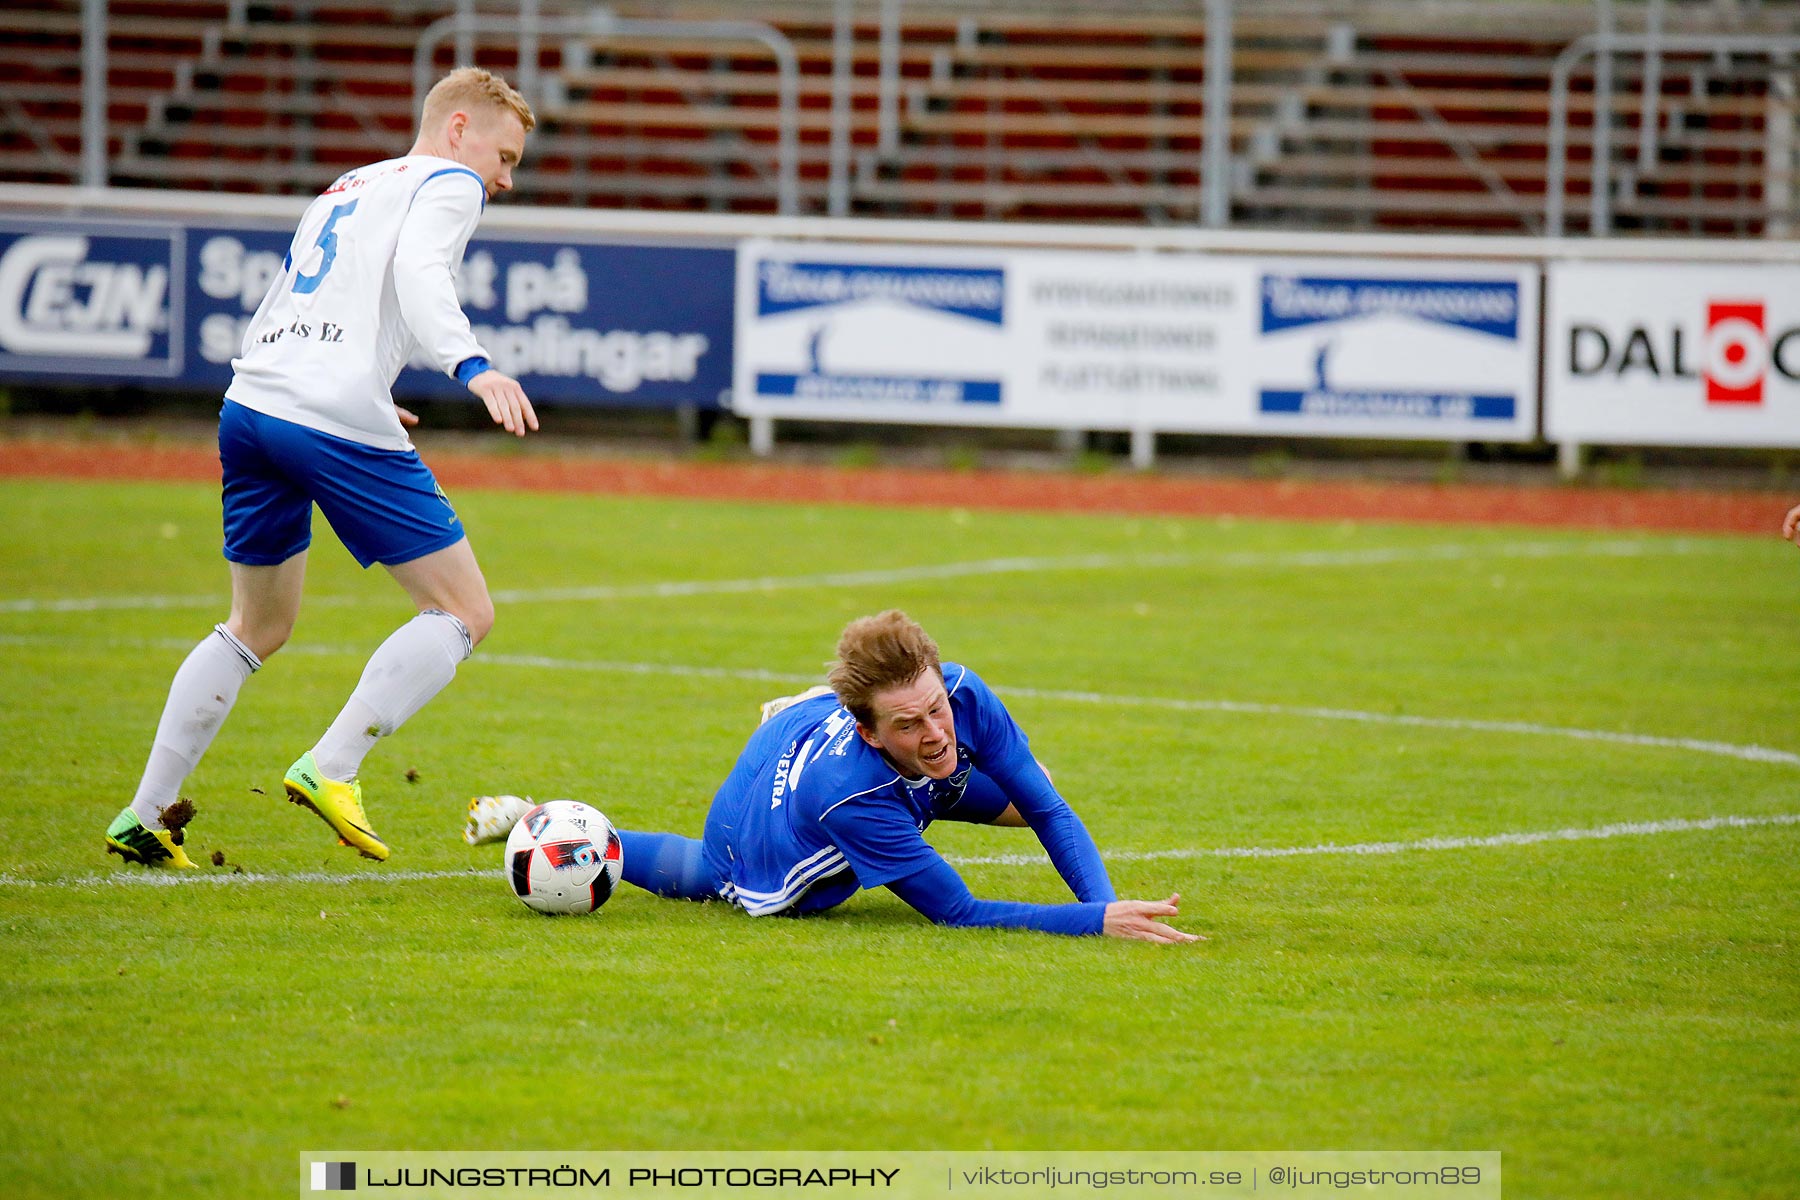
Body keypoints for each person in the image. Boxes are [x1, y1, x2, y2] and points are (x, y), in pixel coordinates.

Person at [105, 67, 539, 869]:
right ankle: (332, 765)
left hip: (254, 405)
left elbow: (299, 307)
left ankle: (142, 814)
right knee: (464, 610)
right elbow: (420, 278)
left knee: (256, 626)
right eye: (504, 155)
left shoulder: (344, 186)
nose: (505, 178)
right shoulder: (449, 181)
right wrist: (471, 366)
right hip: (328, 417)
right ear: (457, 129)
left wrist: (363, 386)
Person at [469, 611, 1200, 942]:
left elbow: (1049, 809)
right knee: (709, 874)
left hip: (812, 736)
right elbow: (958, 913)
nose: (936, 729)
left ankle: (807, 713)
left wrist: (1113, 902)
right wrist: (1096, 922)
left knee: (1026, 786)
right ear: (870, 728)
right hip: (765, 829)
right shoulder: (852, 793)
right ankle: (561, 824)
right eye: (908, 723)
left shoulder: (963, 693)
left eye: (935, 708)